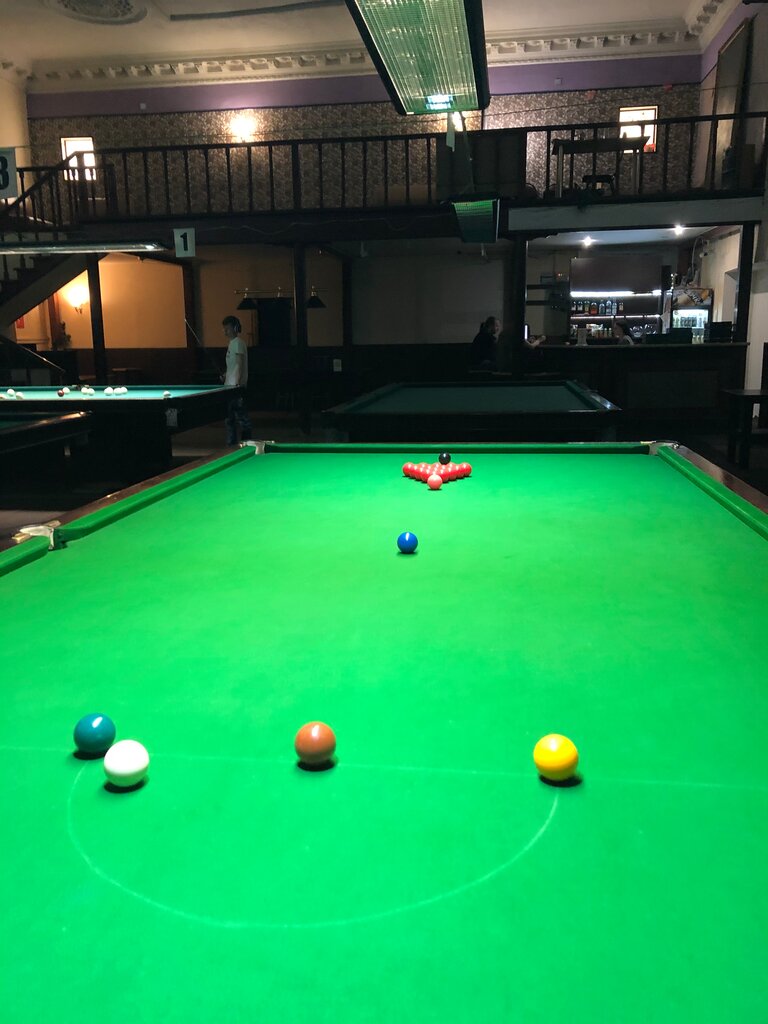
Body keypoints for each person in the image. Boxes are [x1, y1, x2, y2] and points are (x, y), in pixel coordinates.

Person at [221, 315, 252, 445]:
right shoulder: (232, 343)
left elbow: (239, 364)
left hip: (236, 387)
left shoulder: (238, 343)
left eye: (227, 328)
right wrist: (226, 375)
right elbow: (233, 365)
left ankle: (246, 444)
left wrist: (237, 383)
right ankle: (232, 445)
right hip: (230, 386)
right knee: (230, 419)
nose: (225, 331)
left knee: (241, 418)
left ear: (235, 328)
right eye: (224, 328)